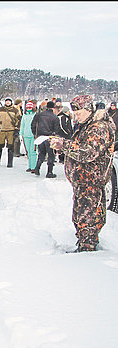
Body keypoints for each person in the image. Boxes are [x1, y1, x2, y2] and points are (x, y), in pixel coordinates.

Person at [50, 95, 115, 252]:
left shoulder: (99, 127)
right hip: (82, 181)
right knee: (80, 216)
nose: (76, 116)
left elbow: (88, 152)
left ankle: (87, 251)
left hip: (91, 182)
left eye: (79, 113)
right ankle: (83, 244)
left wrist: (64, 145)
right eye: (75, 113)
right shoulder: (85, 124)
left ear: (89, 110)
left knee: (88, 218)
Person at [31, 100, 60, 177]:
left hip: (40, 136)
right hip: (50, 137)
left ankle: (37, 168)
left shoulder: (39, 115)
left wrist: (35, 134)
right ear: (53, 108)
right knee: (51, 154)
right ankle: (49, 172)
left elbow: (33, 124)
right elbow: (57, 129)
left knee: (41, 153)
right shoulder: (55, 117)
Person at [0, 97, 21, 167]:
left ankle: (10, 163)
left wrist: (16, 128)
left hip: (11, 130)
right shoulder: (0, 110)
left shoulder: (15, 110)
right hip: (1, 130)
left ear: (11, 102)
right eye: (7, 101)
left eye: (9, 101)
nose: (8, 103)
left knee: (10, 146)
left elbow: (18, 119)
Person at [19, 100, 38, 173]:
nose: (29, 108)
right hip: (26, 135)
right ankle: (30, 166)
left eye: (30, 107)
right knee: (28, 152)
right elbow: (22, 125)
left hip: (33, 135)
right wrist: (21, 133)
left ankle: (34, 167)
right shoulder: (24, 115)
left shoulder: (35, 115)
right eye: (28, 107)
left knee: (33, 151)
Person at [54, 98, 73, 163]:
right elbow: (63, 125)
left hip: (64, 133)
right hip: (64, 134)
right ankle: (62, 158)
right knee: (63, 145)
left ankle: (62, 158)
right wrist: (68, 132)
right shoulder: (63, 117)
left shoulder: (67, 117)